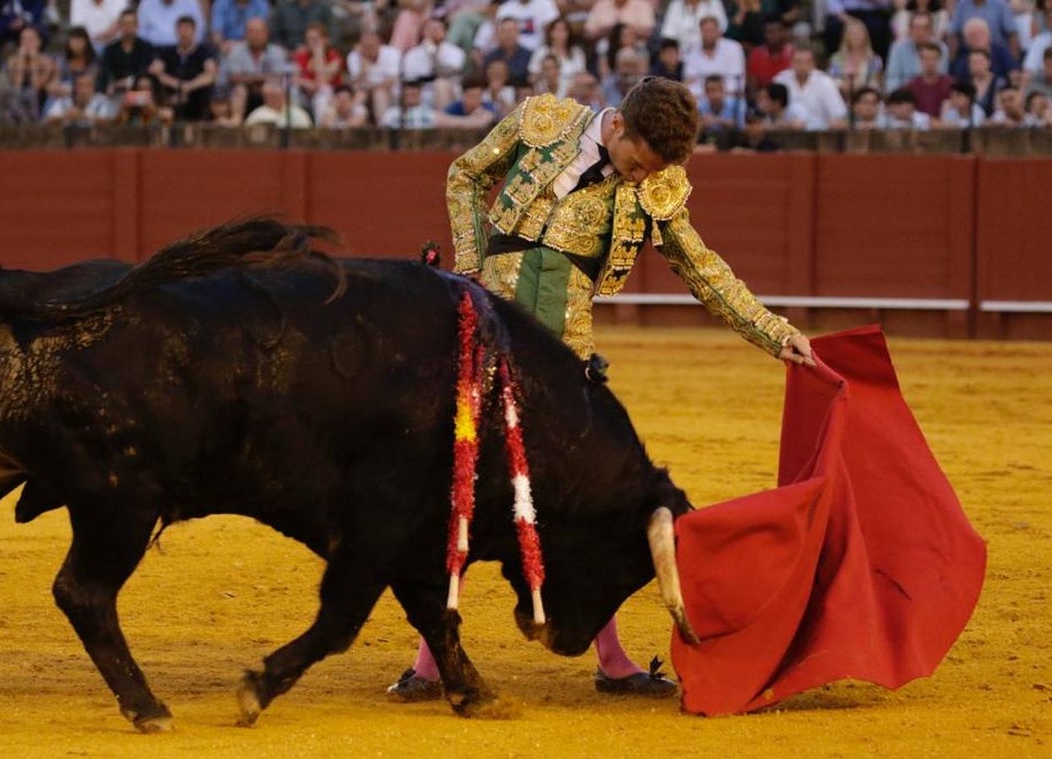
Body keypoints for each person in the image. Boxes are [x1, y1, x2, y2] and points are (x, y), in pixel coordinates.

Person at [385, 76, 815, 702]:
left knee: (578, 507)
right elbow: (465, 174)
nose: (640, 180)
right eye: (637, 164)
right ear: (616, 128)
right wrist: (470, 263)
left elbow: (703, 268)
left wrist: (775, 334)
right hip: (484, 341)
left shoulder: (655, 188)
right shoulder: (542, 121)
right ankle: (429, 663)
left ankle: (612, 661)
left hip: (563, 366)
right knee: (461, 491)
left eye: (650, 173)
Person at [149, 14, 217, 121]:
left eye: (187, 28)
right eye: (180, 28)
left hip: (196, 94)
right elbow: (155, 70)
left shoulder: (204, 51)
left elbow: (211, 74)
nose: (184, 33)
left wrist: (188, 87)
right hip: (172, 94)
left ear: (194, 31)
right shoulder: (168, 52)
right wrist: (178, 86)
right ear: (176, 31)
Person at [886, 10, 951, 91]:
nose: (920, 32)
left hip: (933, 93)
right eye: (916, 27)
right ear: (909, 29)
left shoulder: (941, 48)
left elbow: (941, 77)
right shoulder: (897, 48)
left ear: (931, 30)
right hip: (904, 96)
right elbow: (892, 78)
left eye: (924, 28)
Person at [905, 40, 952, 116]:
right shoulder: (911, 86)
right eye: (926, 59)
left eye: (934, 59)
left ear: (939, 60)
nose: (930, 63)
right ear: (920, 60)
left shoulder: (949, 84)